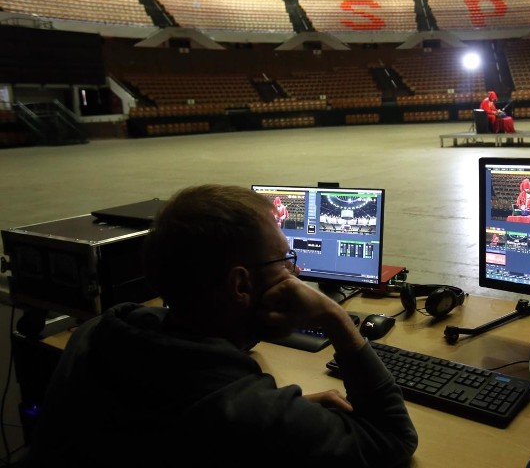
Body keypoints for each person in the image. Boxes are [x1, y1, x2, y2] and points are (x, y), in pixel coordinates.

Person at [27, 184, 418, 468]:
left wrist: (287, 414)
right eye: (284, 260)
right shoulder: (240, 412)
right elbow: (393, 438)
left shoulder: (97, 333)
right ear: (241, 284)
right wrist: (335, 319)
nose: (295, 273)